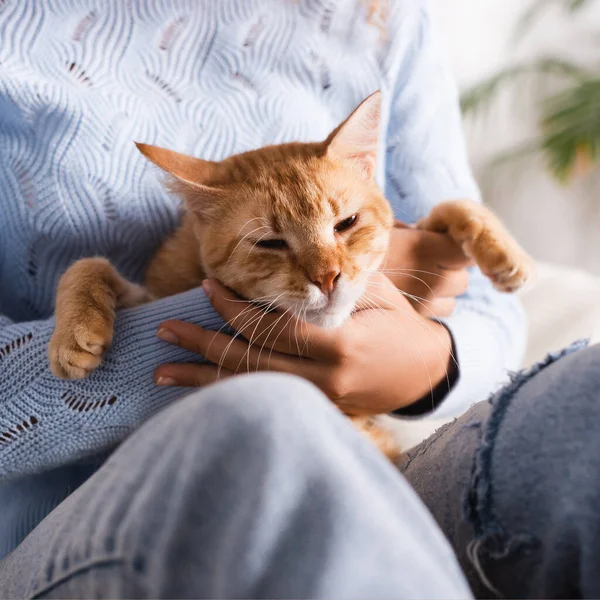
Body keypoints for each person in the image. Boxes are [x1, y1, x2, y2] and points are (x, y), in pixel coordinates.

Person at [0, 1, 596, 598]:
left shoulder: (378, 16)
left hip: (371, 471)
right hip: (90, 524)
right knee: (273, 418)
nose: (327, 274)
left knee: (587, 395)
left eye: (342, 231)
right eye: (268, 242)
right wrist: (225, 340)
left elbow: (488, 307)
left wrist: (427, 363)